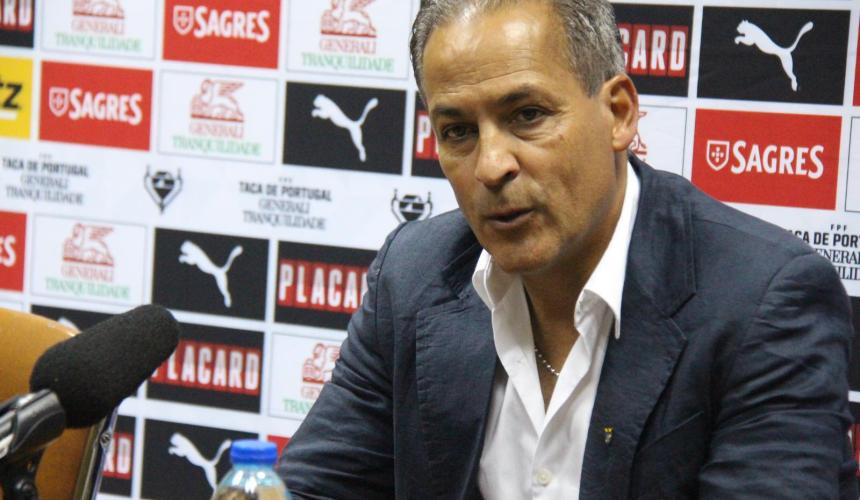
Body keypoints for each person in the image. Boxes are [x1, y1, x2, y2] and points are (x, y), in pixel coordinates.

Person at [278, 0, 858, 498]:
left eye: (527, 116)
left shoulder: (764, 301)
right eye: (458, 131)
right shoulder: (415, 273)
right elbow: (311, 487)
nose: (491, 166)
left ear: (619, 114)